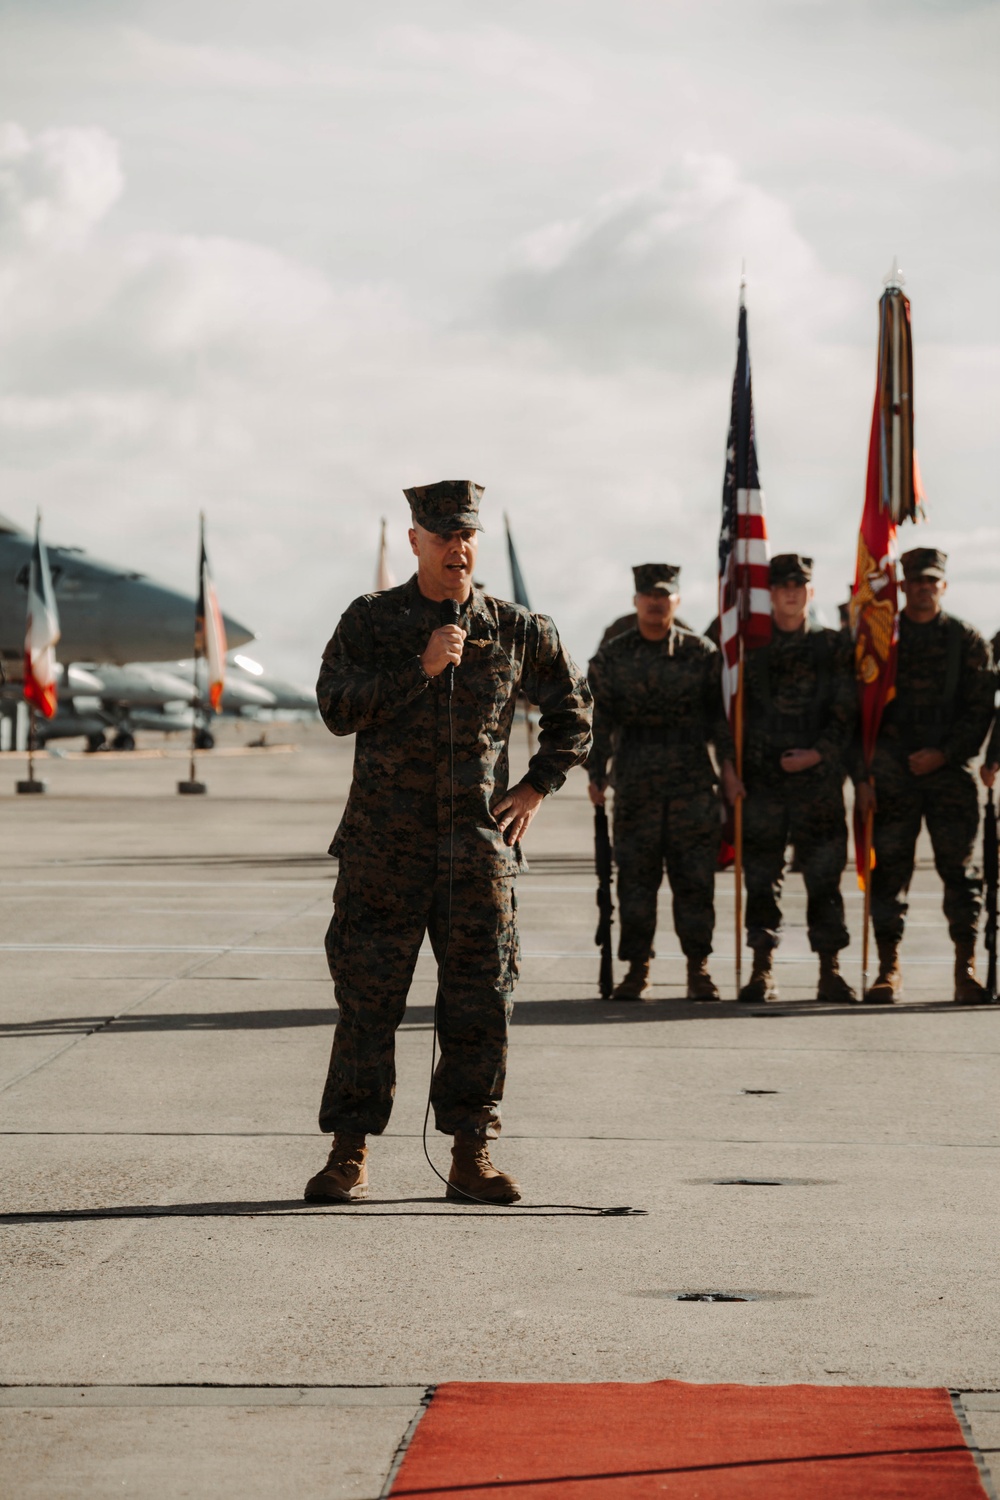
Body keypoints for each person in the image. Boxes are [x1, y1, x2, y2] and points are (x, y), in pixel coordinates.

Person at [305, 481, 592, 1204]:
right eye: (441, 538)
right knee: (368, 1003)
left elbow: (575, 716)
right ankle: (349, 1152)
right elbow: (336, 708)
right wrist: (421, 669)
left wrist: (533, 789)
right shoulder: (372, 622)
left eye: (466, 537)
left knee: (481, 1003)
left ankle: (473, 1154)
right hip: (382, 852)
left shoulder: (518, 628)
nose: (456, 550)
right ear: (415, 543)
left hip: (477, 852)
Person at [586, 563, 735, 1002]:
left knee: (695, 882)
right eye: (648, 595)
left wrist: (728, 769)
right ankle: (637, 968)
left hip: (691, 784)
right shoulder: (613, 656)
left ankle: (698, 968)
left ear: (677, 600)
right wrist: (597, 772)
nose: (656, 602)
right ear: (636, 601)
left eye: (664, 595)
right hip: (635, 783)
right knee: (635, 879)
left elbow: (718, 719)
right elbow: (599, 718)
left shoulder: (701, 653)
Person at [856, 548, 995, 1003]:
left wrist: (944, 754)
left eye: (931, 581)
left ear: (943, 585)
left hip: (948, 775)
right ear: (903, 586)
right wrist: (872, 770)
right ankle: (888, 967)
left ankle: (965, 967)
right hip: (893, 772)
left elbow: (980, 711)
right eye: (916, 581)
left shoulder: (965, 639)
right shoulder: (883, 638)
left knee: (960, 874)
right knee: (890, 874)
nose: (923, 588)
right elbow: (861, 708)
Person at [728, 554, 857, 1004]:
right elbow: (726, 713)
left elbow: (848, 712)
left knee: (823, 877)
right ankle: (763, 970)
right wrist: (730, 770)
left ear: (810, 592)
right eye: (781, 585)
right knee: (762, 877)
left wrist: (818, 754)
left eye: (798, 585)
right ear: (769, 593)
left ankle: (830, 971)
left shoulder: (834, 646)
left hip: (817, 782)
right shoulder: (749, 646)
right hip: (762, 781)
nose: (789, 592)